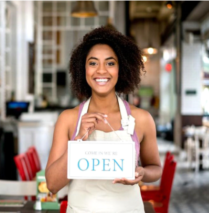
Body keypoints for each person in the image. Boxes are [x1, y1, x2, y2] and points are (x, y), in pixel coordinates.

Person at [45, 27, 162, 213]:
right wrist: (78, 140)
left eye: (110, 63)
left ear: (120, 68)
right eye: (93, 63)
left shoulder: (141, 119)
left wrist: (142, 172)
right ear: (83, 68)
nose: (101, 71)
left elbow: (155, 168)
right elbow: (52, 184)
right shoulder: (68, 119)